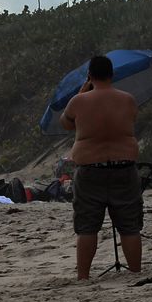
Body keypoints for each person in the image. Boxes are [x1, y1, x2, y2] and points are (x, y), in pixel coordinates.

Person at [61, 54, 142, 280]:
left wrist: (81, 93)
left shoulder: (78, 102)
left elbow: (66, 123)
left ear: (90, 76)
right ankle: (135, 271)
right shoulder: (127, 100)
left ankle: (84, 277)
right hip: (124, 168)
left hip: (90, 171)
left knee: (87, 227)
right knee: (130, 226)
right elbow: (131, 119)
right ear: (112, 74)